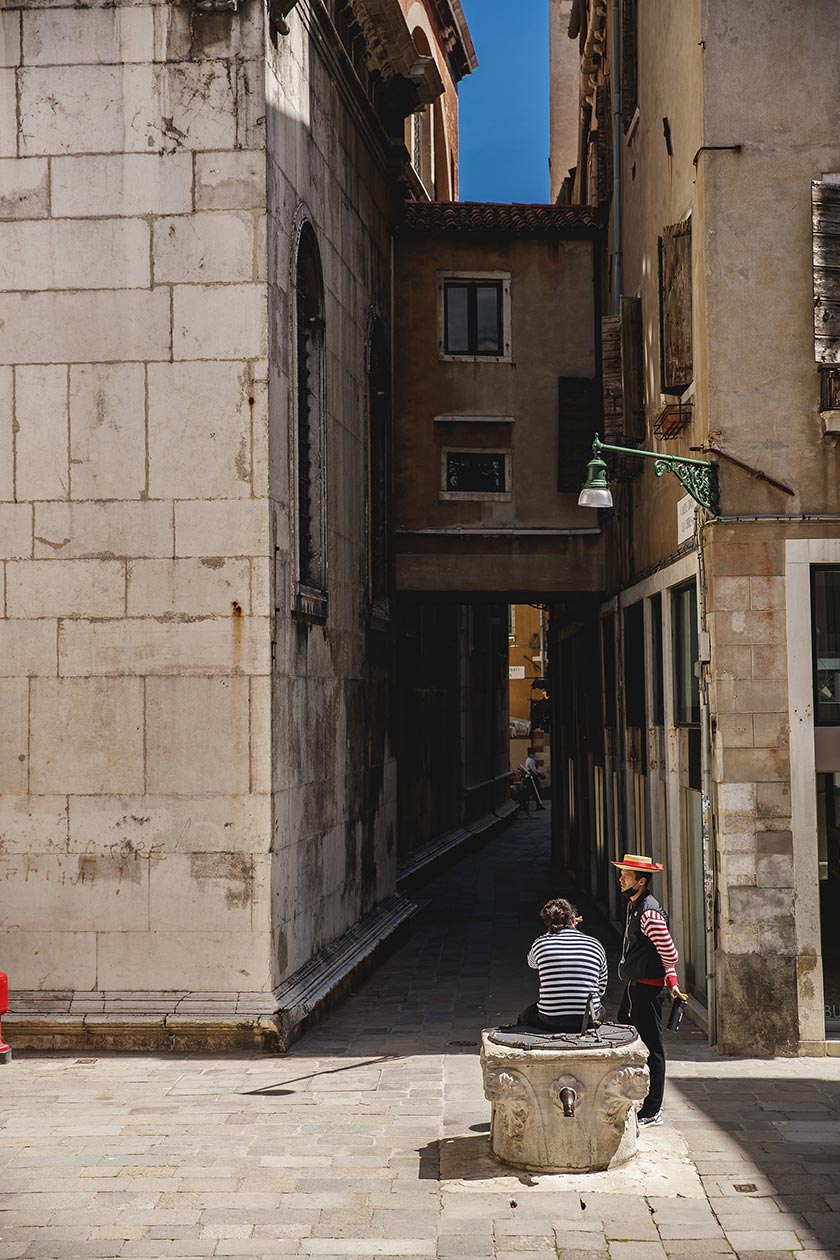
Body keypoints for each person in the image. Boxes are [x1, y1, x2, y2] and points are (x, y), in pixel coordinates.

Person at [612, 853, 684, 1128]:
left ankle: (653, 1110)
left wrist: (671, 979)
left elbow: (670, 951)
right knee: (627, 1031)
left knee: (654, 1049)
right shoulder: (635, 905)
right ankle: (633, 1094)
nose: (621, 879)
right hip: (635, 986)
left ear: (640, 881)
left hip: (648, 989)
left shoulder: (649, 912)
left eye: (626, 875)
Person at [518, 898, 608, 1033]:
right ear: (573, 919)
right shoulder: (595, 944)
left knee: (525, 1015)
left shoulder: (540, 943)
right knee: (601, 1009)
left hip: (550, 1018)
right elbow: (601, 988)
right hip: (588, 1018)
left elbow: (532, 963)